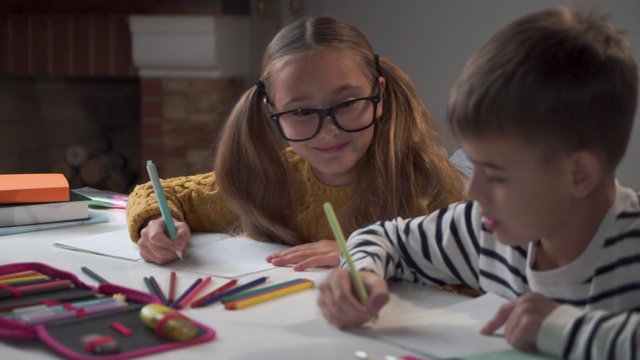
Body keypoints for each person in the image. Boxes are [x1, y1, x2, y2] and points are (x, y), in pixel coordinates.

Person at [317, 6, 639, 359]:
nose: (473, 191)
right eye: (475, 166)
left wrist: (560, 327)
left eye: (496, 174)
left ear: (579, 174)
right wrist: (360, 275)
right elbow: (382, 238)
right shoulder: (483, 230)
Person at [125, 16, 466, 270]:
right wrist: (155, 226)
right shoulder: (271, 180)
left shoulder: (429, 187)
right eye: (301, 111)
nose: (328, 131)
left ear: (380, 94)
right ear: (272, 111)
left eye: (346, 104)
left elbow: (474, 278)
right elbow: (157, 193)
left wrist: (369, 253)